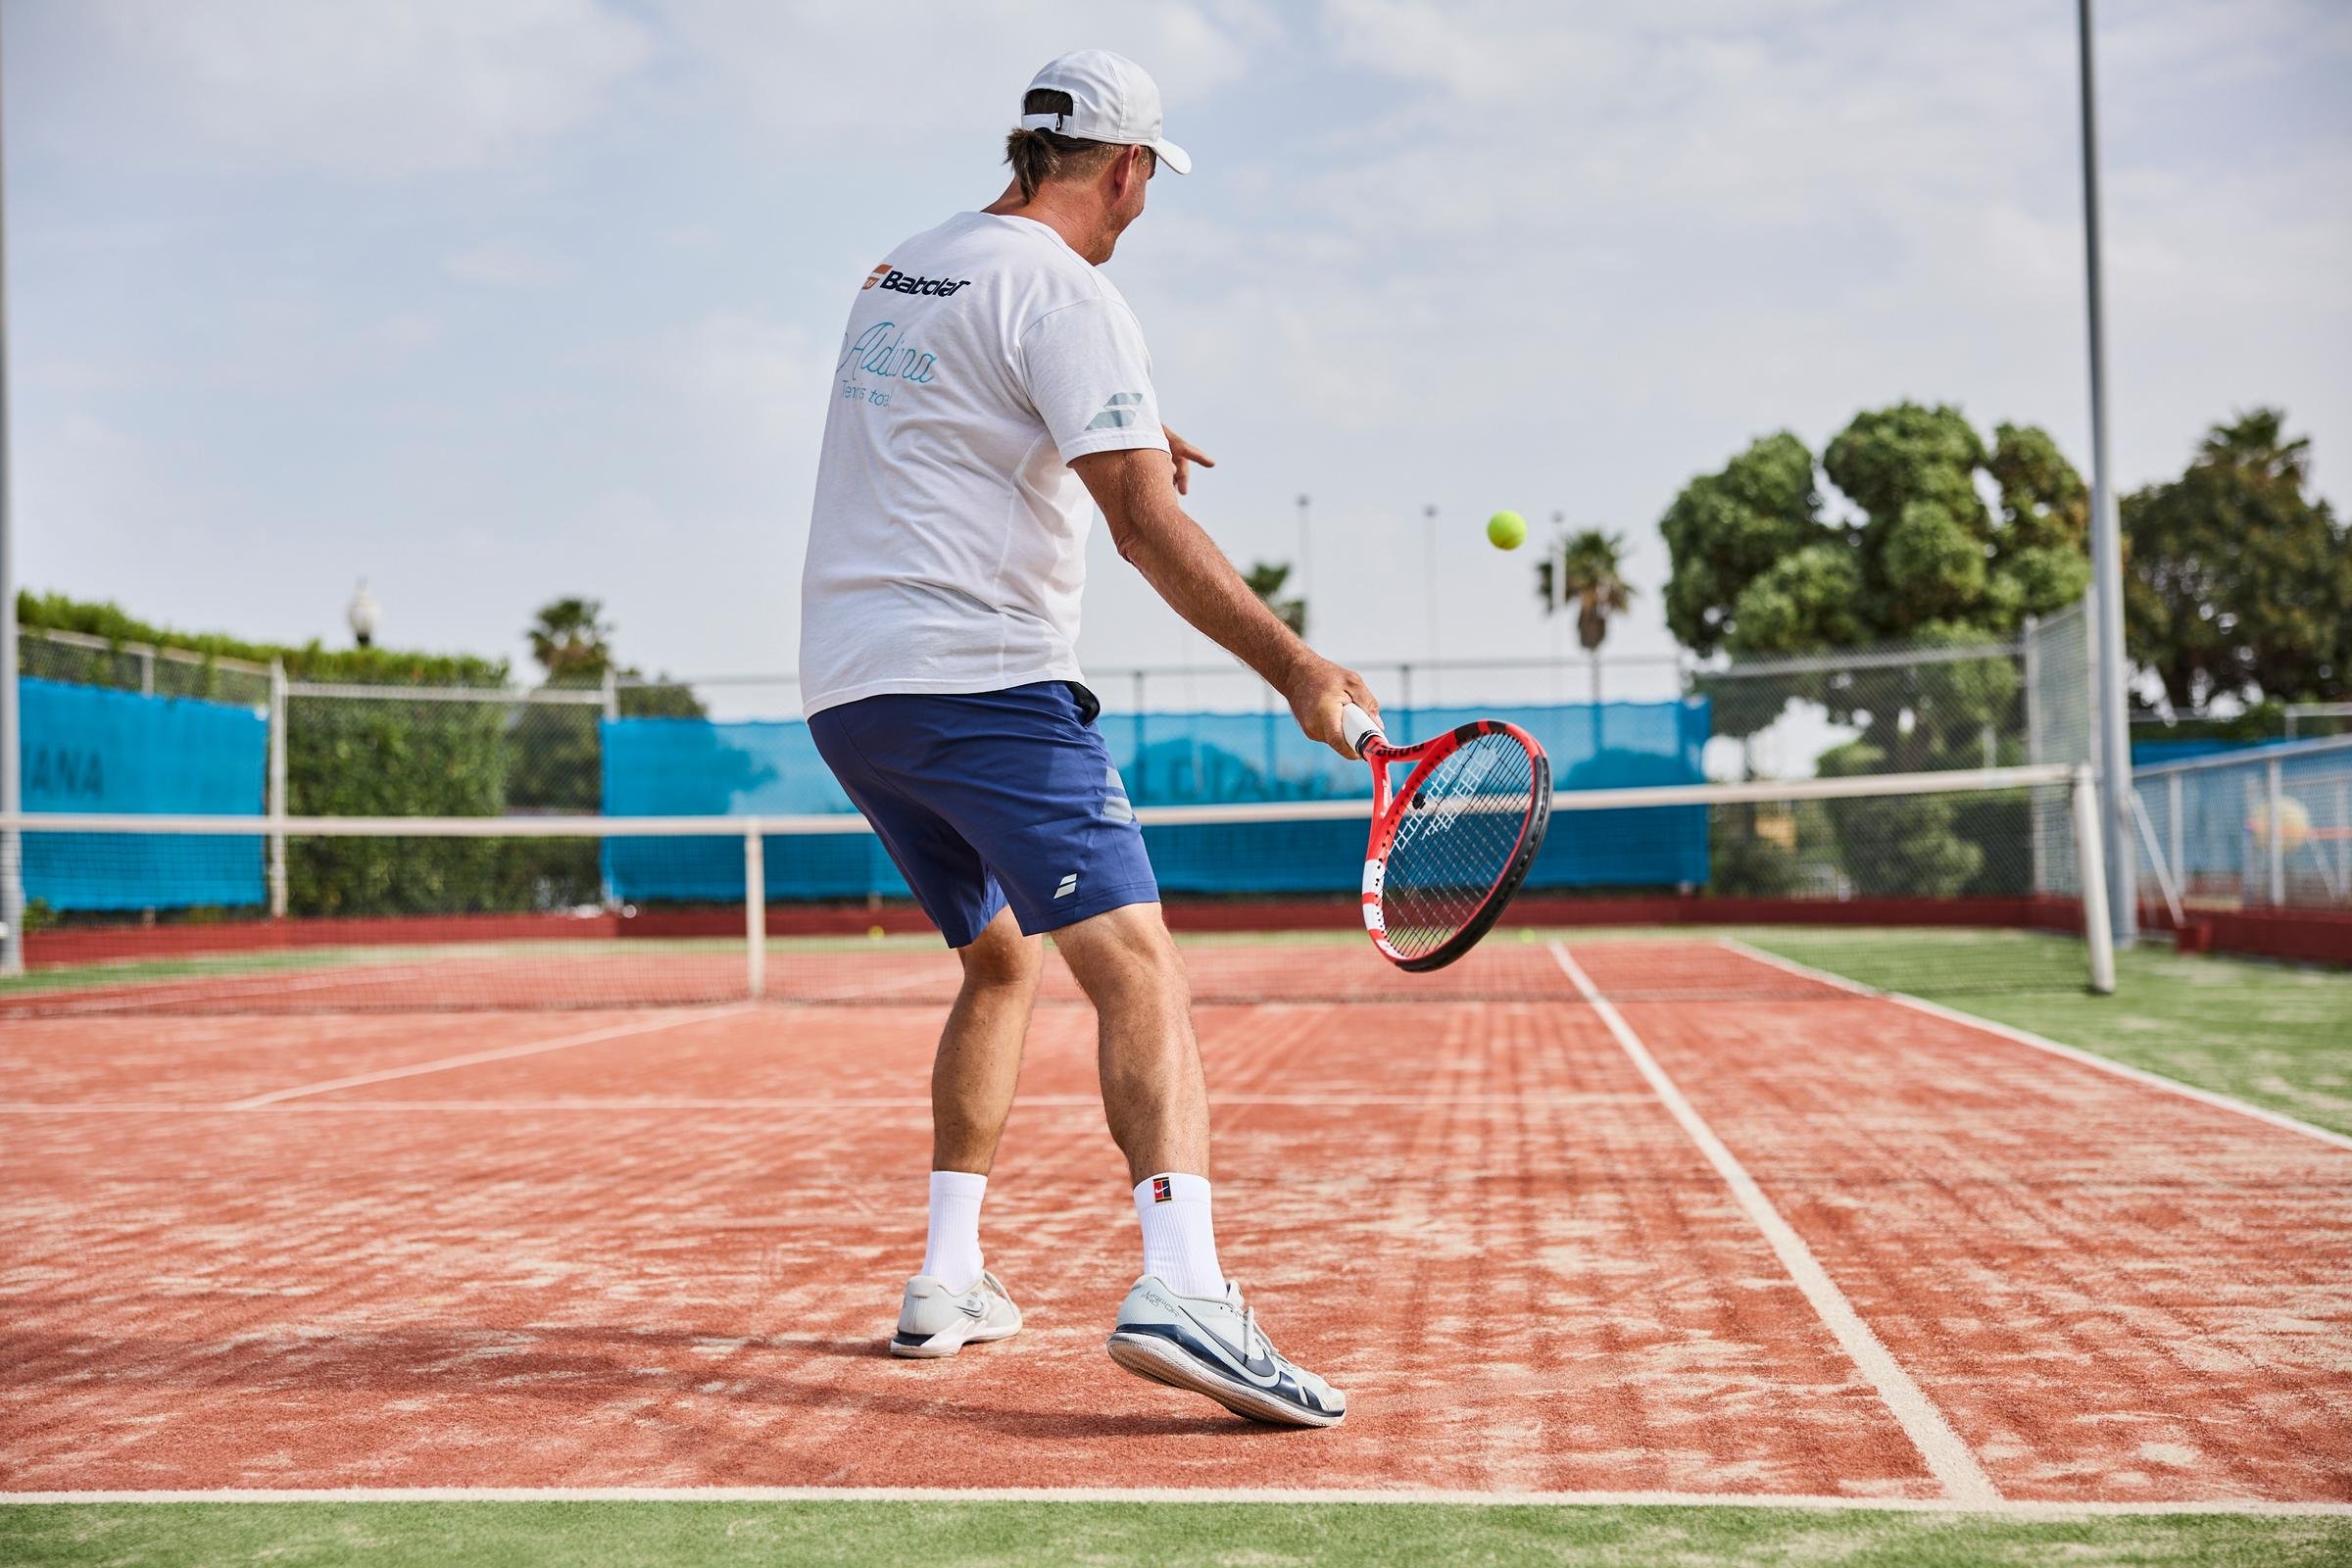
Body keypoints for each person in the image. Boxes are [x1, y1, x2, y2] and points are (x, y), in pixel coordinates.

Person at [798, 48, 1378, 1428]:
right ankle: (1185, 1288)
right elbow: (1143, 526)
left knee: (1000, 961)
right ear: (1125, 169)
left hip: (852, 693)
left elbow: (953, 407)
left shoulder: (906, 266)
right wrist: (1298, 669)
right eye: (1148, 180)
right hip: (985, 684)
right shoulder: (1071, 294)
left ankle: (948, 1277)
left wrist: (1108, 422)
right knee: (1139, 973)